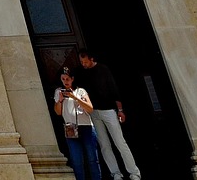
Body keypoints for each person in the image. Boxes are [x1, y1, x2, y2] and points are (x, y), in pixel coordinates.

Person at [76, 50, 140, 180]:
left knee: (120, 142)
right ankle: (115, 173)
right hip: (94, 112)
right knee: (104, 145)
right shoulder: (82, 73)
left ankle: (134, 172)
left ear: (91, 59)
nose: (83, 64)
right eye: (81, 62)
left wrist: (120, 109)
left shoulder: (103, 69)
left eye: (85, 61)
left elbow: (113, 89)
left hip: (109, 110)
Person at [53, 67, 103, 180]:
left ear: (72, 79)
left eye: (67, 79)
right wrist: (60, 100)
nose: (65, 81)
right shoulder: (58, 92)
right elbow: (58, 112)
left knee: (92, 159)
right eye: (63, 79)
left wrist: (75, 98)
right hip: (70, 128)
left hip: (86, 127)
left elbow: (90, 109)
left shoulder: (81, 91)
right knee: (76, 160)